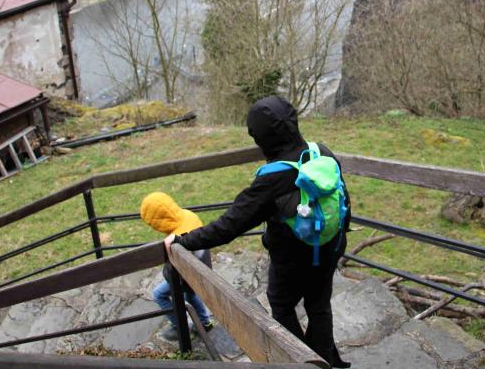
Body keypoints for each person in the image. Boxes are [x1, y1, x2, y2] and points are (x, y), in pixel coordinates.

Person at [165, 96, 351, 368]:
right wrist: (339, 240)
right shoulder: (321, 153)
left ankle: (301, 362)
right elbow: (344, 199)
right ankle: (326, 359)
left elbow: (229, 225)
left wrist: (182, 240)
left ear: (262, 139)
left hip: (291, 262)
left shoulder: (272, 179)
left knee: (281, 306)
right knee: (319, 305)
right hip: (329, 249)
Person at [140, 192, 213, 341]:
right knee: (190, 295)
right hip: (203, 265)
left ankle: (181, 327)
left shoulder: (177, 241)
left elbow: (174, 268)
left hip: (188, 275)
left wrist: (167, 272)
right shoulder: (188, 215)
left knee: (159, 295)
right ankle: (205, 322)